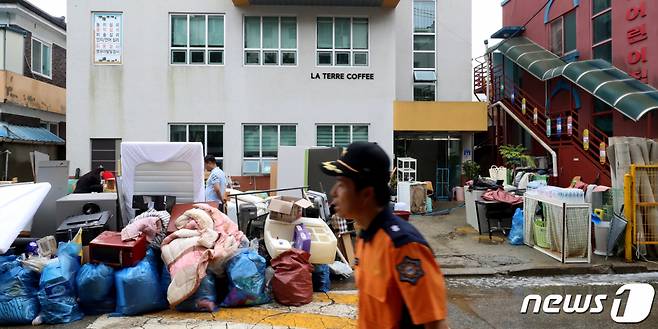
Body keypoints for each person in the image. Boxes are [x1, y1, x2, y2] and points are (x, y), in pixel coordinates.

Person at [321, 142, 449, 329]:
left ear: (366, 194)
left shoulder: (403, 247)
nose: (333, 192)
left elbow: (435, 324)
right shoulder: (367, 236)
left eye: (342, 184)